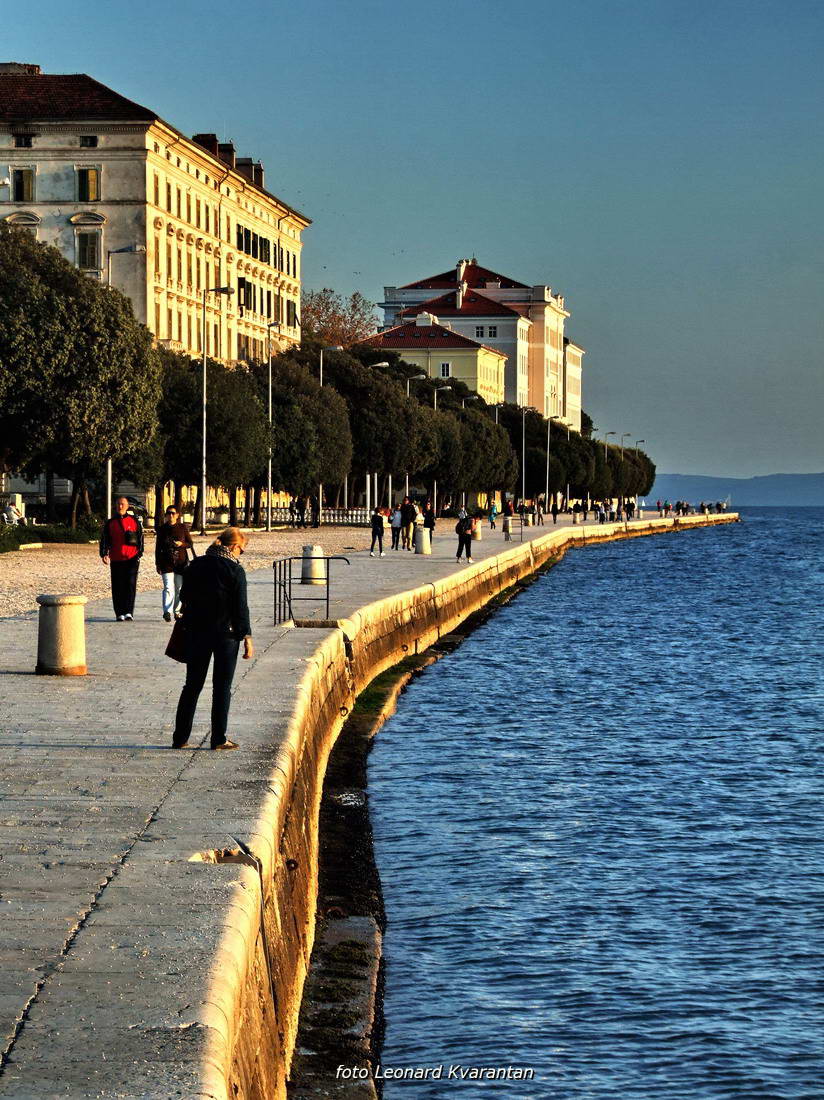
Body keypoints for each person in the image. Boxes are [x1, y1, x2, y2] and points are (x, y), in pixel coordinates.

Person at [172, 527, 253, 751]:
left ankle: (180, 738)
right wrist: (246, 636)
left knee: (192, 685)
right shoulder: (235, 570)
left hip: (197, 631)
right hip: (226, 635)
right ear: (234, 546)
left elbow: (184, 595)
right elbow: (241, 607)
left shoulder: (196, 565)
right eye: (241, 550)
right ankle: (218, 738)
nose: (240, 554)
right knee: (222, 687)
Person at [100, 496, 144, 622]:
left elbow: (140, 538)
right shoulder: (110, 523)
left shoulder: (134, 521)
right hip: (116, 558)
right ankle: (119, 612)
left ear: (127, 506)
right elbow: (105, 539)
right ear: (115, 505)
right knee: (117, 585)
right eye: (118, 504)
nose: (120, 506)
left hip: (132, 558)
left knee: (130, 584)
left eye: (123, 504)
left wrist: (139, 553)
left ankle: (129, 611)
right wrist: (104, 553)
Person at [155, 505, 194, 622]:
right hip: (166, 562)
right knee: (168, 587)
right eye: (168, 513)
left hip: (180, 562)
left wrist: (181, 544)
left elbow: (190, 543)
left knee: (179, 588)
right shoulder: (162, 529)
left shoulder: (182, 527)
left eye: (173, 513)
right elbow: (158, 547)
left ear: (177, 515)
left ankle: (177, 611)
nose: (170, 515)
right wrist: (157, 563)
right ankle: (167, 611)